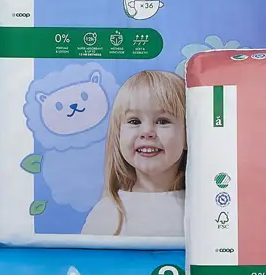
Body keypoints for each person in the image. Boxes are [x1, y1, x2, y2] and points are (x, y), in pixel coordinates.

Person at [80, 69, 187, 238]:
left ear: (188, 134)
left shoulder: (205, 209)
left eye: (163, 121)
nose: (147, 132)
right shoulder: (106, 214)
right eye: (134, 121)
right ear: (119, 135)